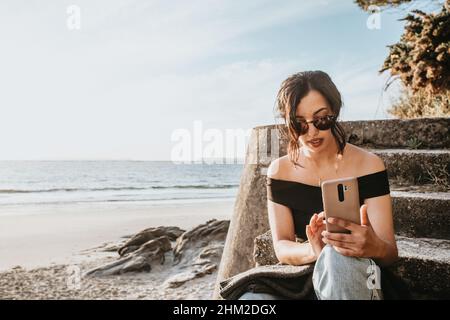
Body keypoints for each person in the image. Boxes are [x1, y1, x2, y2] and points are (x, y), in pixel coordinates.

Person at [238, 70, 398, 300]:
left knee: (336, 257)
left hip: (358, 274)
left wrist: (372, 246)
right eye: (300, 123)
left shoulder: (369, 165)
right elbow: (282, 246)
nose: (312, 131)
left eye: (321, 119)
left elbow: (390, 253)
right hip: (306, 275)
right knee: (251, 300)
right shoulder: (280, 170)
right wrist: (313, 249)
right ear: (288, 122)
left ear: (334, 112)